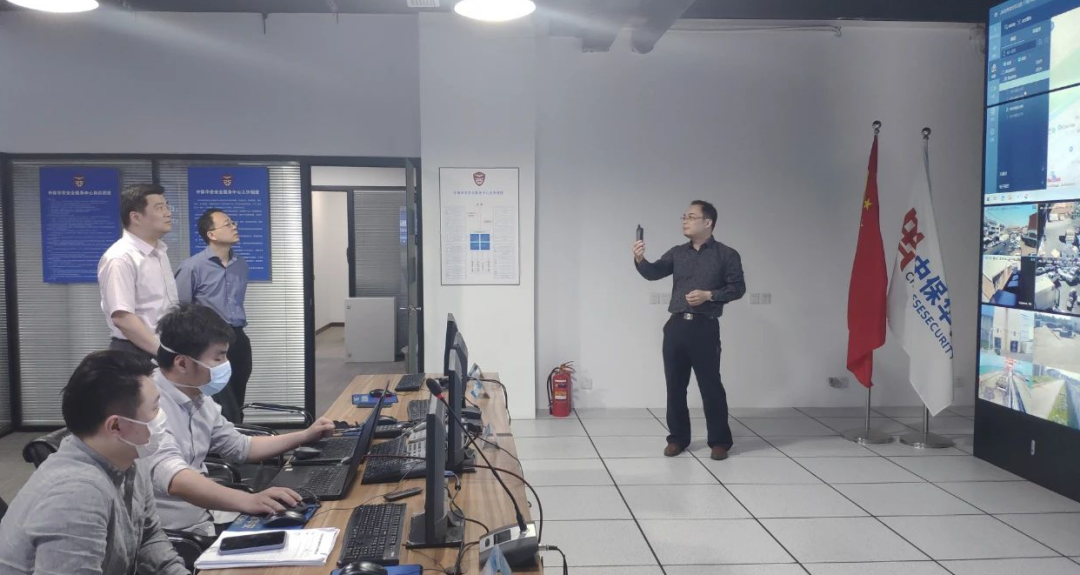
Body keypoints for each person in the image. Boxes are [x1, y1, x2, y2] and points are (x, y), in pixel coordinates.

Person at [146, 303, 335, 536]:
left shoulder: (198, 395)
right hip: (176, 536)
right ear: (182, 363)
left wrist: (305, 436)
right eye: (218, 358)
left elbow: (240, 447)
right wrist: (249, 501)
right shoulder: (148, 405)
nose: (225, 365)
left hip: (206, 518)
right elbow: (176, 480)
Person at [0, 350, 189, 575]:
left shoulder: (130, 459)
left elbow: (148, 537)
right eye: (155, 408)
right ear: (116, 426)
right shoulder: (77, 495)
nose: (161, 416)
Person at [633, 200, 745, 460]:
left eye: (691, 216)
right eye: (684, 216)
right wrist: (639, 259)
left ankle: (719, 442)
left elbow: (738, 288)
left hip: (705, 327)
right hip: (676, 327)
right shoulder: (677, 253)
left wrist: (709, 295)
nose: (685, 221)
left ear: (708, 222)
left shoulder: (726, 254)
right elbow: (653, 272)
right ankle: (677, 439)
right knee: (675, 386)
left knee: (710, 386)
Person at [176, 209, 251, 424]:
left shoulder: (241, 265)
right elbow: (180, 310)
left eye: (233, 222)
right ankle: (214, 440)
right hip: (208, 341)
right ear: (211, 234)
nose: (234, 227)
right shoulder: (192, 267)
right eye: (228, 224)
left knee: (237, 396)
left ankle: (237, 437)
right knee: (216, 400)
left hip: (237, 337)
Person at [98, 183, 179, 358]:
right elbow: (123, 318)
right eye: (159, 208)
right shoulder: (120, 257)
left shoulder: (159, 252)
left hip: (164, 348)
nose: (168, 213)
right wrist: (162, 353)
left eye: (167, 206)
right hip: (136, 351)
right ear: (136, 217)